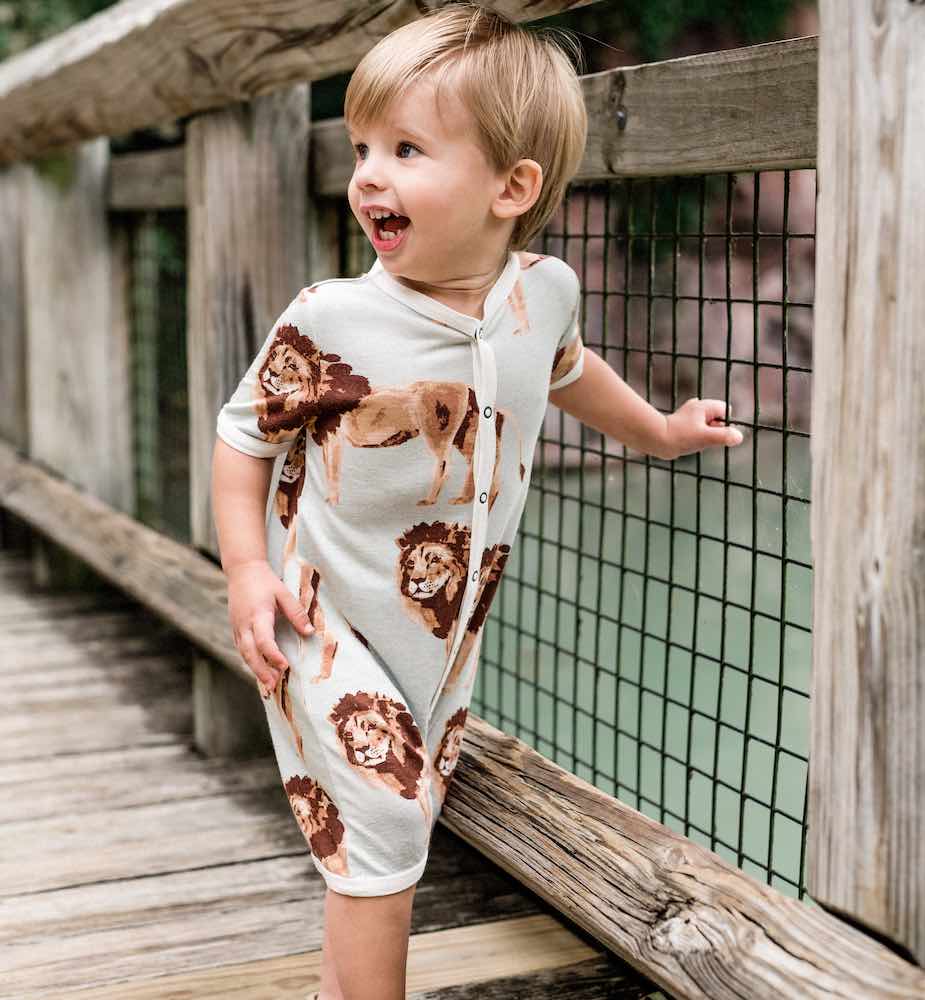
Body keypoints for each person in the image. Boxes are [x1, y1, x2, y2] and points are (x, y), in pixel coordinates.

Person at [211, 5, 744, 999]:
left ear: (513, 187)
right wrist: (245, 569)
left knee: (385, 833)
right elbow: (243, 437)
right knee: (382, 815)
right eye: (363, 145)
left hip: (442, 637)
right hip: (313, 617)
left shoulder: (541, 294)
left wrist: (660, 432)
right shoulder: (333, 321)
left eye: (406, 148)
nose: (369, 172)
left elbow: (572, 371)